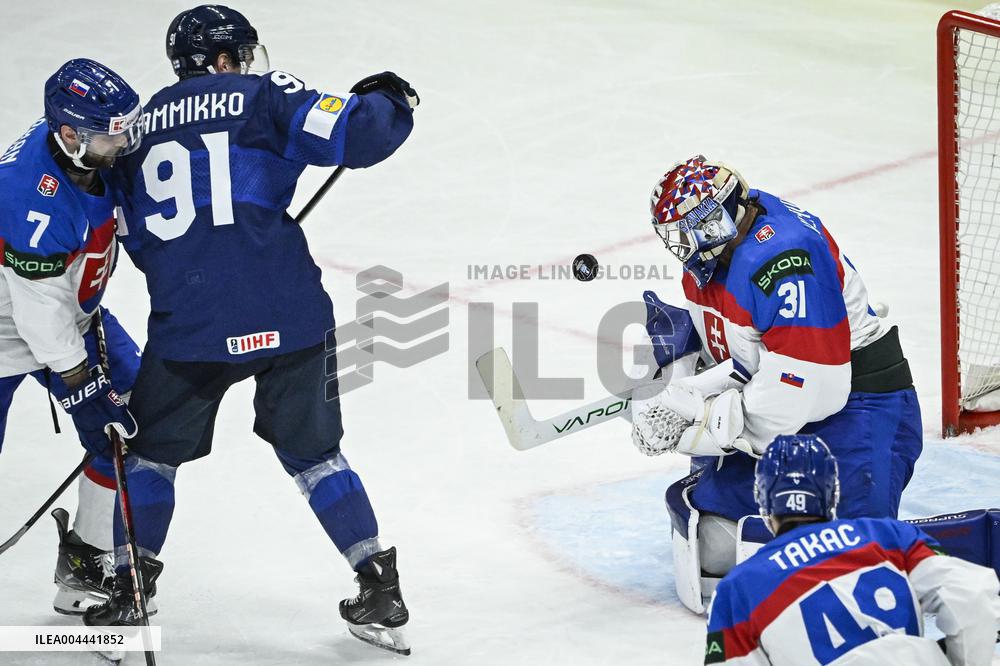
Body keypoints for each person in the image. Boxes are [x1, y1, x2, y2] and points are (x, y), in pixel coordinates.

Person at [83, 4, 418, 655]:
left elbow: (123, 232)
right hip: (288, 314)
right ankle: (379, 584)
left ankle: (130, 595)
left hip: (193, 322)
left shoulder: (136, 131)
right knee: (315, 456)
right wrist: (387, 98)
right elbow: (361, 134)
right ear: (224, 59)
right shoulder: (263, 95)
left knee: (149, 453)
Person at [630, 155, 922, 612]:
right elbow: (747, 355)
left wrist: (699, 424)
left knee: (855, 572)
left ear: (715, 221)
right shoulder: (719, 248)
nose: (681, 247)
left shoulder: (783, 258)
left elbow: (811, 390)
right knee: (715, 544)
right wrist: (685, 359)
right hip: (797, 398)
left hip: (861, 405)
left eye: (688, 232)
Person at [0, 59, 144, 616]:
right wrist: (82, 382)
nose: (124, 143)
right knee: (104, 412)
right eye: (113, 135)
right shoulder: (29, 196)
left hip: (71, 318)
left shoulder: (84, 149)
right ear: (68, 134)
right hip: (15, 333)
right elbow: (40, 318)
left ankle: (83, 564)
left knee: (126, 426)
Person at [705, 434, 1000, 665]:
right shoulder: (889, 536)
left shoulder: (738, 588)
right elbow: (972, 592)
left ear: (764, 501)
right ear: (831, 494)